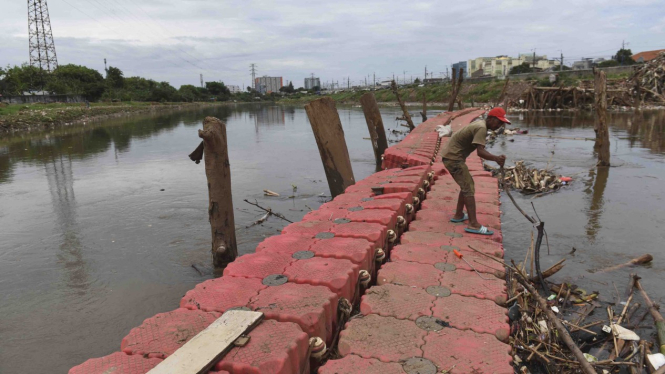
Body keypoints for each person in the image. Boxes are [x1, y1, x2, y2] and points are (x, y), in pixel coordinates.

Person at [441, 107, 511, 235]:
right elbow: (480, 152)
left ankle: (458, 215)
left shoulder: (480, 124)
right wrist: (496, 158)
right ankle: (473, 224)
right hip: (453, 159)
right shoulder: (482, 128)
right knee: (469, 187)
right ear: (490, 118)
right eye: (498, 122)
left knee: (466, 185)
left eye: (502, 123)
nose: (500, 126)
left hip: (451, 156)